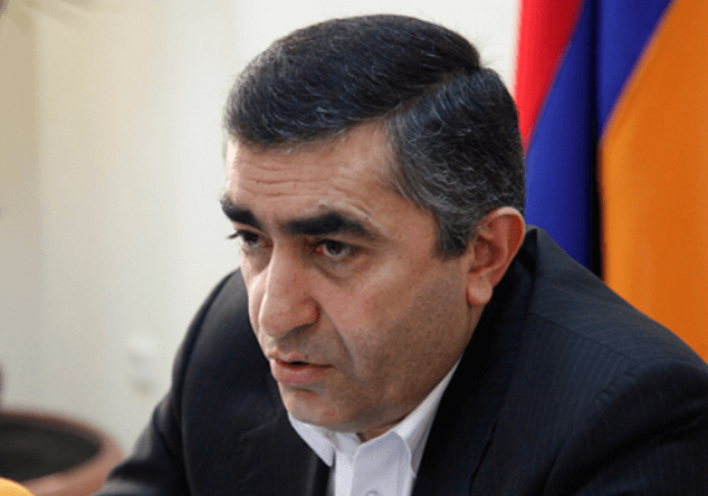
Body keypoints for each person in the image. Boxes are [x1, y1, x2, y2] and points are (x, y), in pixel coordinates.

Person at [96, 14, 708, 496]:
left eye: (334, 248)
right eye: (253, 239)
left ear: (483, 254)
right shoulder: (227, 341)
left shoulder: (630, 421)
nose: (273, 315)